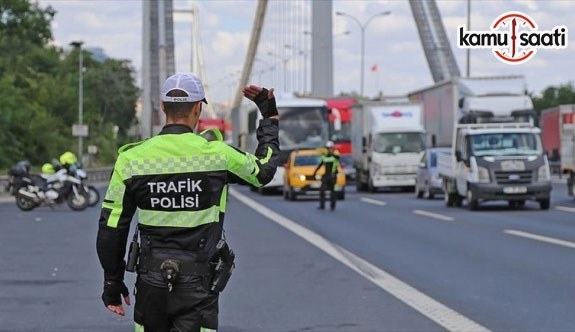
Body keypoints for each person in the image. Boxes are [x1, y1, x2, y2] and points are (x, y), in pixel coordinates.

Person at [96, 72, 280, 331]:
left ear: (162, 107)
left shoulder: (132, 160)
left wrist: (112, 283)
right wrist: (269, 117)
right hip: (199, 283)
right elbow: (264, 171)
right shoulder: (217, 155)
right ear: (198, 108)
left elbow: (111, 227)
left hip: (151, 283)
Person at [313, 141, 340, 210]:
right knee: (322, 190)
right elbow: (320, 164)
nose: (329, 149)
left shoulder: (335, 155)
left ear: (332, 148)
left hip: (333, 176)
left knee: (333, 191)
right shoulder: (325, 156)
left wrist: (331, 154)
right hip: (326, 175)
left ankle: (332, 206)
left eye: (330, 148)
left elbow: (337, 158)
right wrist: (315, 172)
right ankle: (322, 205)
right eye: (328, 148)